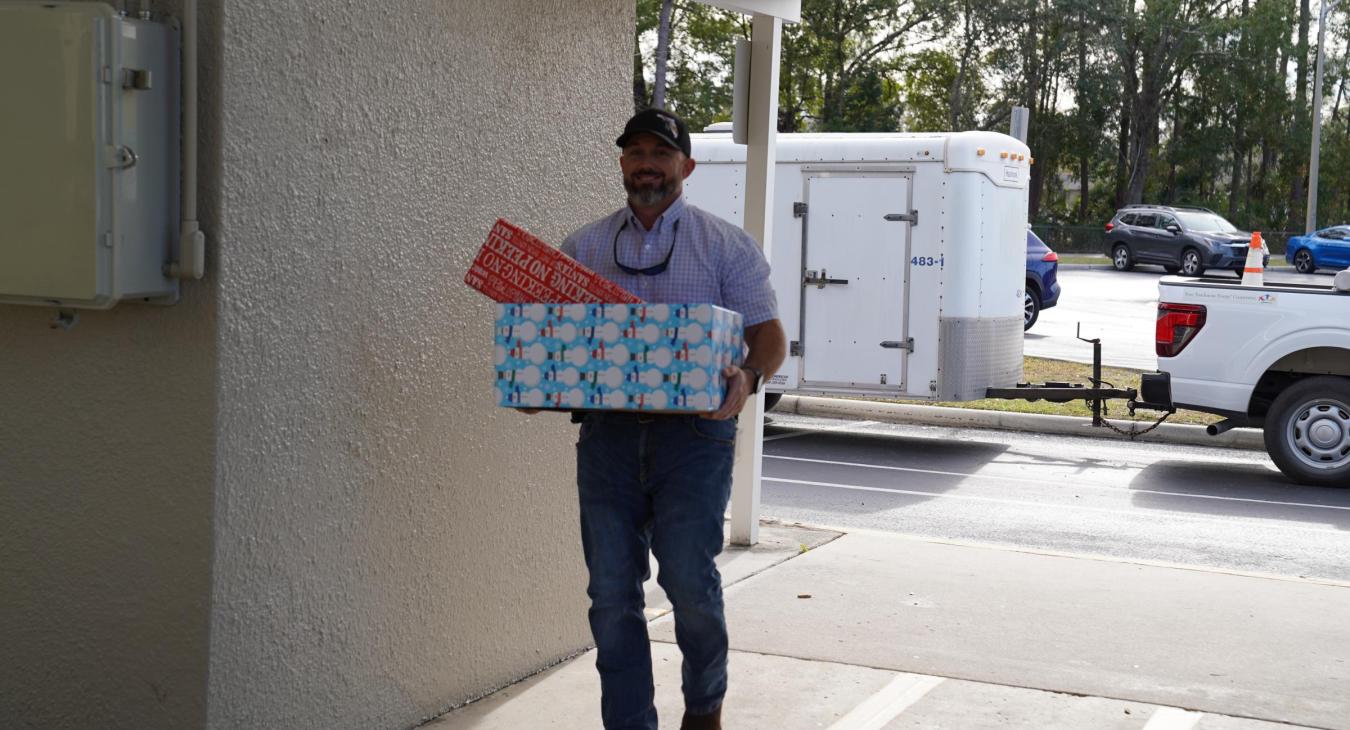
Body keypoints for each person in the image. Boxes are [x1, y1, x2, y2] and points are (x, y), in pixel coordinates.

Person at [558, 108, 787, 730]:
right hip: (606, 436)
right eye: (635, 152)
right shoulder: (582, 248)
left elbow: (769, 336)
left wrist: (748, 376)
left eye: (660, 153)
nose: (646, 164)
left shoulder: (726, 245)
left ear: (686, 166)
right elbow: (549, 338)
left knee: (689, 580)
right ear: (623, 164)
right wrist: (540, 381)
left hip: (696, 436)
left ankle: (703, 707)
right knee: (611, 595)